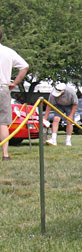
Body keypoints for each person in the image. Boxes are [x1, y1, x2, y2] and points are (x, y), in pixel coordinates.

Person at [1, 27, 30, 161]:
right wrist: (14, 83)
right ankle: (5, 154)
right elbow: (24, 66)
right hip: (3, 88)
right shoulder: (8, 51)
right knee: (3, 123)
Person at [43, 82, 79, 147]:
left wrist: (71, 115)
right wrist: (45, 116)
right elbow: (49, 105)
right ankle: (53, 139)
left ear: (63, 91)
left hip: (70, 106)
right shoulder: (52, 94)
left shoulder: (71, 92)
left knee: (69, 122)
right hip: (59, 105)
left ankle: (68, 140)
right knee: (56, 119)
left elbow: (75, 104)